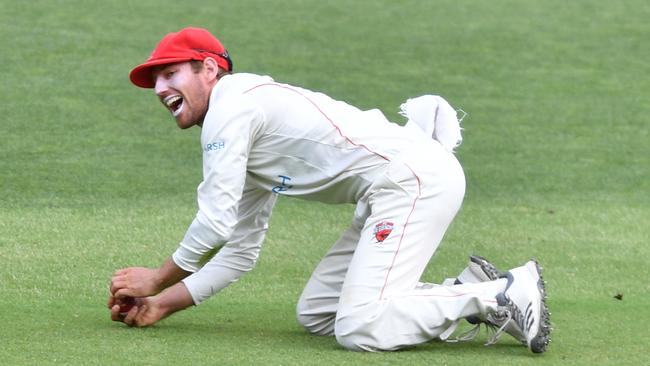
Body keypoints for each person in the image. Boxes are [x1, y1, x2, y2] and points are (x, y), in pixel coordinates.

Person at [108, 27, 551, 353]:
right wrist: (164, 303)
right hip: (390, 189)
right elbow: (240, 249)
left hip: (414, 179)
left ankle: (500, 294)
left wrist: (157, 277)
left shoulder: (231, 106)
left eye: (169, 73)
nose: (161, 88)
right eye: (156, 82)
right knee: (320, 313)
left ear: (208, 68)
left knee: (359, 326)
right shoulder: (240, 124)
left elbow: (215, 222)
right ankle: (470, 294)